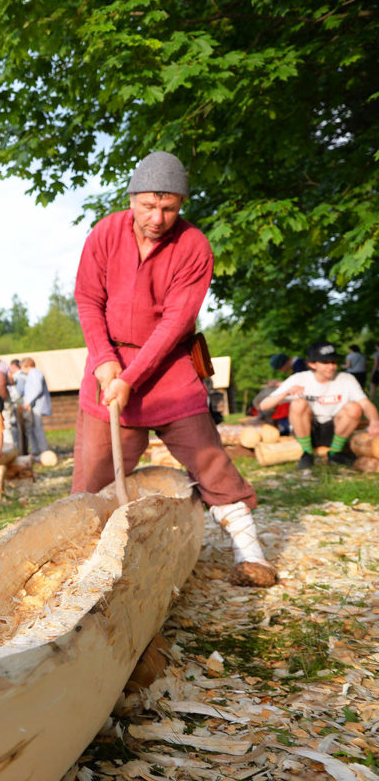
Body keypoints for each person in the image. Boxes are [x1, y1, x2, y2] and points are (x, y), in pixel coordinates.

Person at [72, 150, 278, 588]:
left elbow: (175, 324)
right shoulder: (104, 234)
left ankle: (251, 554)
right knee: (90, 483)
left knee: (211, 462)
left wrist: (132, 377)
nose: (158, 217)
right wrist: (107, 361)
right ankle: (86, 571)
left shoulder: (194, 246)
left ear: (181, 204)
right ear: (131, 199)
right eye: (148, 205)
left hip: (168, 371)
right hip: (107, 367)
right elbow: (89, 300)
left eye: (169, 207)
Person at [257, 340, 379, 469]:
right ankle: (307, 453)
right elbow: (264, 405)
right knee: (298, 403)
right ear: (312, 364)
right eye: (325, 362)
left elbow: (365, 403)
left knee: (354, 407)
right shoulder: (299, 378)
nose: (331, 366)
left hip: (335, 429)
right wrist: (286, 393)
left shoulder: (346, 379)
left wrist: (375, 421)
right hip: (308, 430)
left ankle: (335, 453)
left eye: (334, 362)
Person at [19, 358, 52, 457]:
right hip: (33, 405)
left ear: (28, 365)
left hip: (37, 405)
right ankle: (36, 450)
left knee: (38, 428)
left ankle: (44, 450)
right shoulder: (32, 374)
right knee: (32, 428)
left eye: (22, 367)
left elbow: (37, 389)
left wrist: (28, 401)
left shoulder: (35, 373)